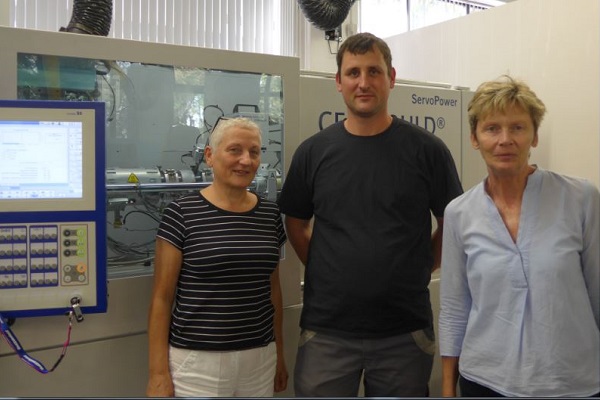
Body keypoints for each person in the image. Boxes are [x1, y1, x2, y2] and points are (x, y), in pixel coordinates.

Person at [277, 32, 463, 397]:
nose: (364, 83)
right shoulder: (313, 152)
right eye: (353, 73)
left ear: (391, 78)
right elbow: (295, 223)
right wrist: (326, 268)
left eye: (374, 72)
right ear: (339, 82)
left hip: (403, 332)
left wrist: (423, 265)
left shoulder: (427, 150)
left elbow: (452, 221)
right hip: (327, 331)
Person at [439, 75, 600, 397]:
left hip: (571, 383)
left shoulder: (580, 198)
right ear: (474, 137)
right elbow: (455, 307)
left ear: (534, 136)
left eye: (517, 127)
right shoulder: (459, 213)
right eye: (492, 128)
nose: (505, 140)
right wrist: (447, 389)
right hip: (485, 381)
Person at [146, 117, 288, 397]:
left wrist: (278, 352)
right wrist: (158, 372)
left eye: (254, 152)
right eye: (235, 150)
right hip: (198, 365)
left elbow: (272, 291)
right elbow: (162, 298)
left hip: (259, 359)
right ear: (210, 156)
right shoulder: (181, 214)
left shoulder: (270, 215)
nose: (245, 161)